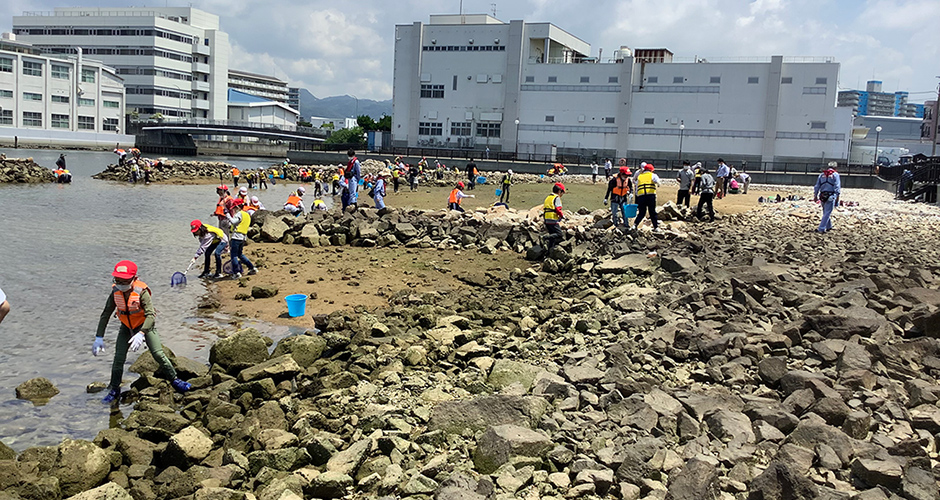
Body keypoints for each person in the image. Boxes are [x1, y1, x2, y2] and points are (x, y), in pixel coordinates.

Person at [93, 260, 191, 404]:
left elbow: (150, 315)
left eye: (124, 280)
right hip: (126, 327)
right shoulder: (115, 292)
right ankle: (114, 389)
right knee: (118, 358)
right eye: (117, 279)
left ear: (134, 278)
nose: (120, 282)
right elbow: (106, 314)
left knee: (158, 354)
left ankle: (175, 379)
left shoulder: (141, 292)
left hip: (145, 326)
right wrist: (99, 337)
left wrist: (142, 333)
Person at [226, 200, 257, 278]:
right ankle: (252, 267)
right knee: (240, 254)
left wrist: (227, 214)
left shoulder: (239, 214)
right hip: (243, 237)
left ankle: (236, 272)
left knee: (233, 255)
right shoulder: (247, 215)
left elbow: (233, 221)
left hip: (236, 236)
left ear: (237, 207)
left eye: (234, 208)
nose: (234, 210)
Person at [633, 163, 661, 232]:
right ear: (651, 170)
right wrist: (658, 185)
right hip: (650, 196)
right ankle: (656, 227)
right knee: (652, 212)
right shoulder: (653, 175)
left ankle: (635, 225)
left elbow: (635, 182)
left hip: (641, 196)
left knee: (642, 212)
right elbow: (658, 182)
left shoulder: (640, 176)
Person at [813, 166, 841, 233]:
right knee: (827, 213)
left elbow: (817, 186)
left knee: (825, 211)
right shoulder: (835, 175)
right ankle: (821, 228)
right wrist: (837, 196)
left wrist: (815, 195)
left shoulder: (822, 175)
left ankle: (829, 226)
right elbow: (837, 186)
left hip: (822, 195)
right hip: (831, 195)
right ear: (835, 168)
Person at [543, 183, 566, 251]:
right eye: (562, 193)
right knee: (559, 234)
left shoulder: (548, 197)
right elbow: (558, 209)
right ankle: (544, 237)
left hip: (546, 218)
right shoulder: (557, 198)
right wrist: (562, 216)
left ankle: (548, 252)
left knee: (552, 237)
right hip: (552, 218)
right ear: (559, 191)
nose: (562, 195)